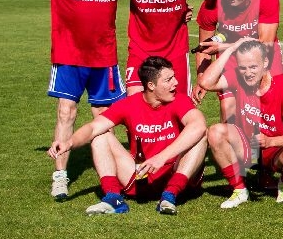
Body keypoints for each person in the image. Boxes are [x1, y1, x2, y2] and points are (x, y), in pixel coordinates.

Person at [8, 0, 128, 201]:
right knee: (66, 112)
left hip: (104, 56)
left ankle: (111, 177)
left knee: (104, 118)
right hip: (68, 56)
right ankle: (60, 177)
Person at [48, 56, 208, 216]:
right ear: (151, 85)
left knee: (201, 135)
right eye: (168, 80)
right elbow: (92, 128)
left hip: (174, 175)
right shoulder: (130, 104)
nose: (176, 83)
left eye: (173, 77)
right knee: (100, 136)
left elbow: (198, 125)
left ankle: (170, 195)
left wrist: (161, 157)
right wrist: (68, 143)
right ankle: (113, 198)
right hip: (141, 176)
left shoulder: (179, 100)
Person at [200, 38, 283, 208]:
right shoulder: (239, 77)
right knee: (215, 132)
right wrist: (230, 49)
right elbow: (206, 82)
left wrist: (270, 141)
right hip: (247, 145)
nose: (248, 73)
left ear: (265, 63)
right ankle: (239, 189)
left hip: (277, 149)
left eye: (253, 67)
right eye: (243, 67)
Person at [193, 0, 282, 117]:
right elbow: (204, 47)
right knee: (228, 110)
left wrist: (225, 47)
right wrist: (202, 76)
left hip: (264, 57)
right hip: (230, 59)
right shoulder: (212, 5)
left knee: (269, 109)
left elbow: (265, 44)